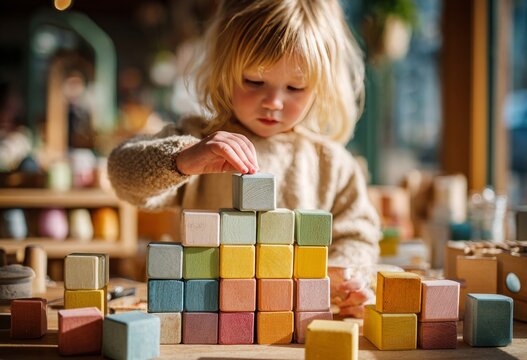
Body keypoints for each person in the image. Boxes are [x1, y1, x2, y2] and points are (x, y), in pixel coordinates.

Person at [108, 0, 381, 318]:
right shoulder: (199, 139)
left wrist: (346, 273)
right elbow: (121, 173)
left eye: (295, 87)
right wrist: (182, 159)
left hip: (293, 328)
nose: (274, 102)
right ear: (224, 71)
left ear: (320, 87)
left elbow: (358, 235)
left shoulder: (331, 164)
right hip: (206, 319)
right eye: (254, 81)